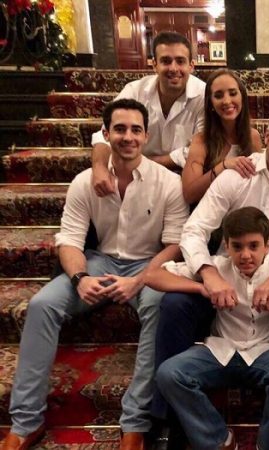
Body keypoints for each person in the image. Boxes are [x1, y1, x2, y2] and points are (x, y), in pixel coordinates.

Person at [0, 99, 189, 450]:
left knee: (160, 307)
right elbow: (69, 240)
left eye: (135, 130)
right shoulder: (84, 182)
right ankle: (26, 422)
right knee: (42, 305)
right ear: (105, 133)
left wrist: (140, 280)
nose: (128, 137)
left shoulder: (168, 182)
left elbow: (175, 244)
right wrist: (80, 279)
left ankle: (135, 423)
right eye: (120, 129)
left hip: (150, 265)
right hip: (100, 262)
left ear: (146, 136)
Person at [153, 105, 269, 450]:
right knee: (174, 303)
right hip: (228, 277)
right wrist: (208, 274)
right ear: (267, 136)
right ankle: (167, 421)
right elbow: (194, 230)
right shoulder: (238, 174)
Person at [146, 207, 269, 450]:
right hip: (220, 351)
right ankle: (218, 440)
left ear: (268, 245)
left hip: (266, 352)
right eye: (237, 247)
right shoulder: (216, 267)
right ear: (226, 246)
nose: (245, 255)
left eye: (253, 246)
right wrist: (203, 288)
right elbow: (153, 276)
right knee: (169, 373)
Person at [91, 31, 206, 197]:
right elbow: (106, 133)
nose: (174, 68)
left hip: (183, 175)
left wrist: (148, 164)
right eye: (166, 61)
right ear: (154, 65)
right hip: (134, 173)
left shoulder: (203, 96)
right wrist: (99, 168)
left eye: (180, 61)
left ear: (191, 66)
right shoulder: (135, 91)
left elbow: (203, 146)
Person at [181, 68, 262, 204]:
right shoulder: (201, 140)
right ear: (211, 103)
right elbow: (189, 194)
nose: (227, 101)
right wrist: (224, 166)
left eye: (233, 93)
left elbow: (258, 184)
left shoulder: (253, 136)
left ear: (242, 97)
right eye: (218, 96)